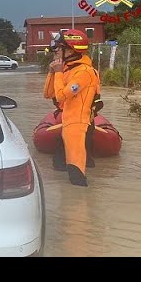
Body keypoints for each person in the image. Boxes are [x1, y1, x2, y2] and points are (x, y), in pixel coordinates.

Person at [47, 29, 101, 187]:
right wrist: (52, 73)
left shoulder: (84, 73)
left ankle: (80, 208)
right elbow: (48, 93)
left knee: (76, 174)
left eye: (59, 49)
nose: (56, 52)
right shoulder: (69, 69)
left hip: (78, 123)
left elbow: (61, 96)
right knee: (61, 165)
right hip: (69, 120)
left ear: (70, 50)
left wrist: (57, 74)